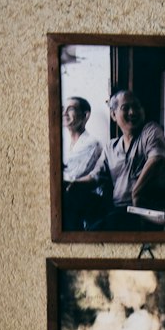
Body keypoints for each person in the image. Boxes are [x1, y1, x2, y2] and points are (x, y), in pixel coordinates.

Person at [103, 90, 165, 228]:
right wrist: (72, 184)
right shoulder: (111, 146)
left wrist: (136, 192)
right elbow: (96, 176)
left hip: (144, 210)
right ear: (113, 115)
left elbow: (157, 159)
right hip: (117, 209)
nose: (132, 112)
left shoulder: (150, 131)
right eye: (125, 108)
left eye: (137, 107)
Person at [61, 97, 110, 230]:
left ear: (85, 115)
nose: (64, 113)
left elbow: (73, 176)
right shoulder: (63, 143)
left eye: (70, 109)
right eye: (63, 109)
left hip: (84, 201)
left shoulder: (91, 143)